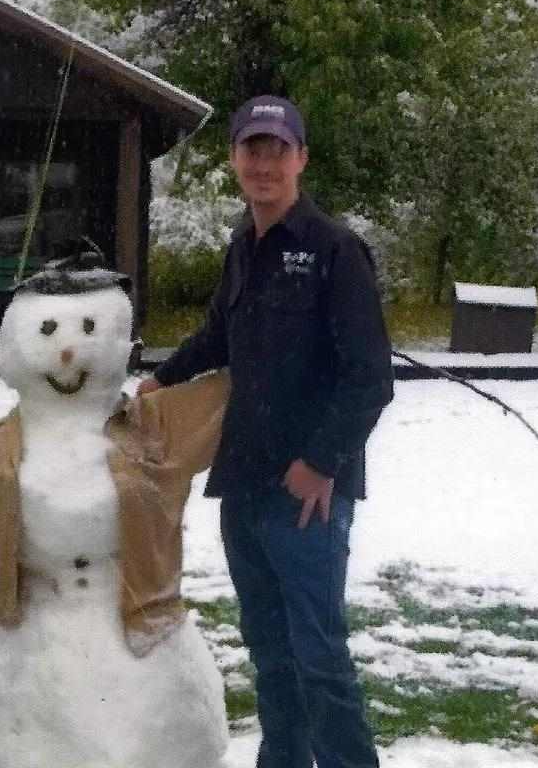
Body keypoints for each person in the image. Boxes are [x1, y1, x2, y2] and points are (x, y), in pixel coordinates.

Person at [138, 95, 393, 768]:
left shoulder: (336, 250)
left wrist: (321, 461)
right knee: (271, 655)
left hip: (307, 493)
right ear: (234, 159)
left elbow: (370, 377)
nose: (264, 163)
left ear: (301, 158)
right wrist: (161, 380)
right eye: (252, 148)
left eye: (278, 149)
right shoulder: (242, 248)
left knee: (320, 660)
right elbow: (220, 332)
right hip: (244, 482)